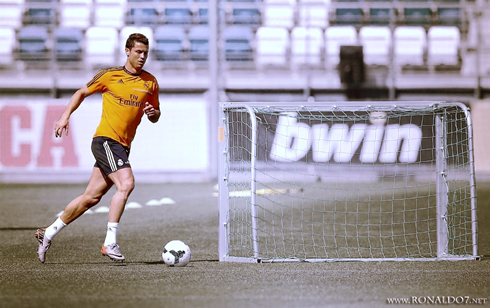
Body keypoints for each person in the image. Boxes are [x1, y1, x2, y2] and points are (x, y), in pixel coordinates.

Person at [35, 33, 161, 263]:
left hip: (122, 146)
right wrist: (64, 117)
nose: (142, 56)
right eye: (138, 52)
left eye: (146, 53)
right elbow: (81, 92)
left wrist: (154, 114)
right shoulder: (110, 75)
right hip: (105, 141)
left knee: (91, 198)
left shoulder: (150, 82)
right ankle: (109, 243)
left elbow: (155, 114)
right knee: (127, 183)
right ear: (127, 51)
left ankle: (48, 232)